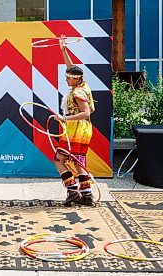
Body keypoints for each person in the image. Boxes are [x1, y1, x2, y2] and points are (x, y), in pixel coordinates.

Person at [53, 35, 96, 207]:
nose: (66, 79)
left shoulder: (78, 93)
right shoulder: (82, 85)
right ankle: (86, 195)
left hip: (77, 129)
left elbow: (86, 113)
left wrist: (64, 118)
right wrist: (63, 50)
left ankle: (72, 191)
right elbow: (71, 67)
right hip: (82, 130)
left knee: (58, 160)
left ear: (76, 79)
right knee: (79, 162)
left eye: (68, 78)